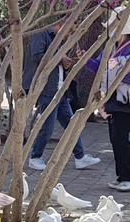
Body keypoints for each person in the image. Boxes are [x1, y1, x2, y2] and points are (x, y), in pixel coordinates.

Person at [22, 22, 100, 172]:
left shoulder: (57, 41)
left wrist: (64, 63)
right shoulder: (42, 34)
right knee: (47, 126)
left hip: (60, 90)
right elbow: (37, 56)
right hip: (46, 89)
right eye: (68, 32)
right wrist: (61, 59)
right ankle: (35, 157)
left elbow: (56, 63)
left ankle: (80, 156)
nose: (68, 37)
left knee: (71, 125)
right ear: (61, 25)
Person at [84, 7, 130, 192]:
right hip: (111, 99)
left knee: (119, 138)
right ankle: (123, 176)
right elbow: (98, 67)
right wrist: (85, 59)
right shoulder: (111, 49)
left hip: (126, 100)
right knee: (116, 139)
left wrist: (118, 78)